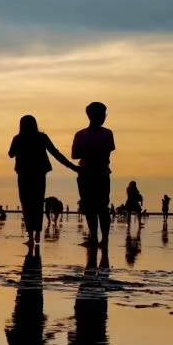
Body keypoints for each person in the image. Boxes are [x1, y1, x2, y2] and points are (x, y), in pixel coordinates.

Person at [70, 102, 116, 249]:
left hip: (101, 174)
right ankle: (94, 238)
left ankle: (104, 239)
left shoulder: (107, 133)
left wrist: (89, 151)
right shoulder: (80, 134)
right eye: (102, 114)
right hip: (85, 175)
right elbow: (74, 155)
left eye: (104, 114)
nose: (104, 117)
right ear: (92, 115)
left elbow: (107, 151)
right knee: (89, 208)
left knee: (102, 208)